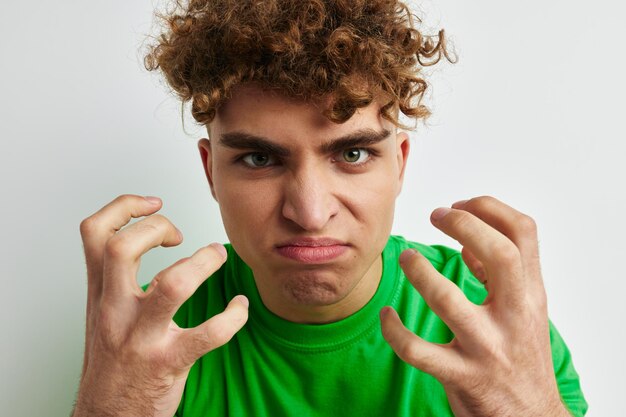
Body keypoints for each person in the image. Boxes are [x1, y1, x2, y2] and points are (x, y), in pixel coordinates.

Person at [72, 0, 587, 416]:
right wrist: (115, 406)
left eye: (353, 153)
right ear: (211, 172)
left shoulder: (493, 316)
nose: (311, 213)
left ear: (399, 164)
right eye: (258, 158)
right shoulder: (155, 337)